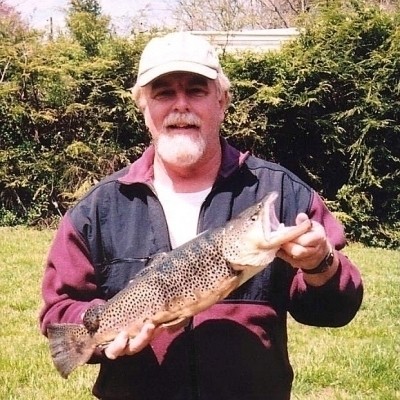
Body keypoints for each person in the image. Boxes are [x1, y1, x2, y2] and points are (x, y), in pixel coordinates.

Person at [39, 32, 363, 400]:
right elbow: (59, 312)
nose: (181, 106)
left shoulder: (283, 192)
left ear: (222, 101)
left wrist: (321, 265)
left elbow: (336, 310)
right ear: (143, 106)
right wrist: (105, 333)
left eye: (196, 90)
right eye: (163, 93)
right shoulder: (98, 210)